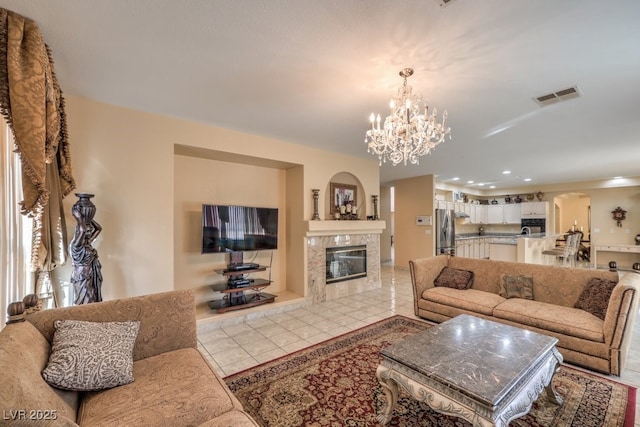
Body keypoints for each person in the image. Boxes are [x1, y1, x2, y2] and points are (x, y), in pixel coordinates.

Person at [69, 196, 103, 304]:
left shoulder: (87, 244)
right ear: (78, 233)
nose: (89, 233)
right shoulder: (75, 246)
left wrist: (88, 219)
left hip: (91, 278)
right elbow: (83, 229)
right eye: (86, 232)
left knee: (93, 299)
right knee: (87, 300)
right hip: (82, 279)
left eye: (90, 231)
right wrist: (79, 218)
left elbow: (98, 228)